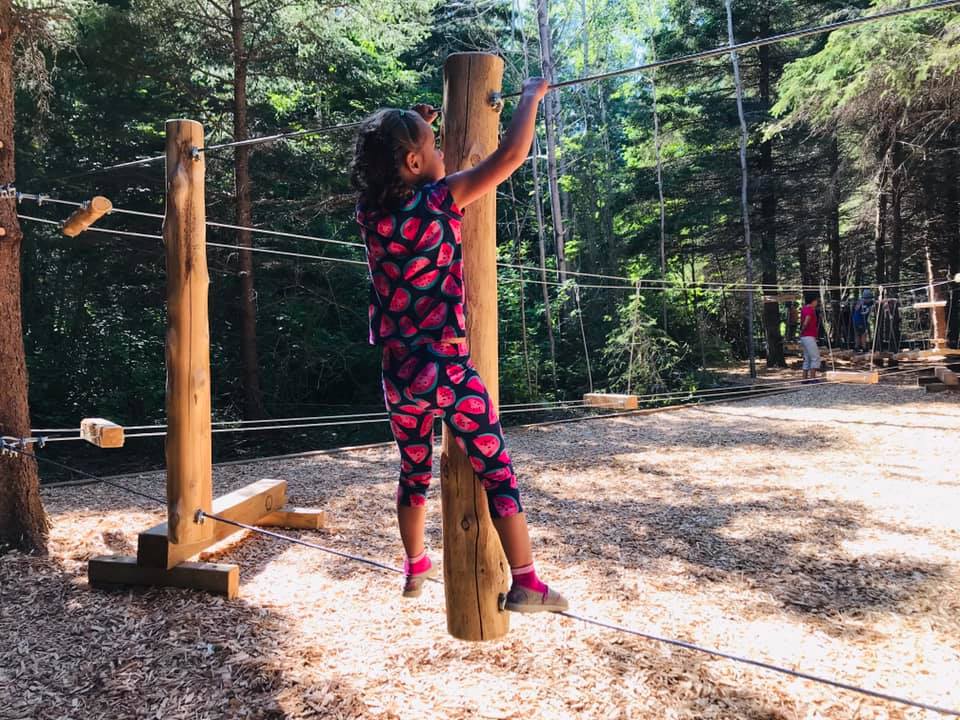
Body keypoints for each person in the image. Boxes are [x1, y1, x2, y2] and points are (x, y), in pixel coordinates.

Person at [351, 78, 568, 613]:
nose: (444, 150)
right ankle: (527, 583)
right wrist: (529, 99)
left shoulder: (369, 214)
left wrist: (418, 127)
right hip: (446, 366)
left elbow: (405, 166)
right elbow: (511, 154)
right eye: (434, 146)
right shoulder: (442, 199)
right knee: (497, 469)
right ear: (414, 162)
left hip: (399, 374)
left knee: (413, 470)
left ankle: (414, 564)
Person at [800, 294, 821, 382]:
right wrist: (803, 328)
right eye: (816, 301)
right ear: (813, 301)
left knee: (807, 357)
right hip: (808, 336)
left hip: (804, 337)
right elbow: (807, 320)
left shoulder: (804, 308)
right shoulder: (810, 309)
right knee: (815, 357)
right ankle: (813, 378)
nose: (817, 302)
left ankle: (804, 378)